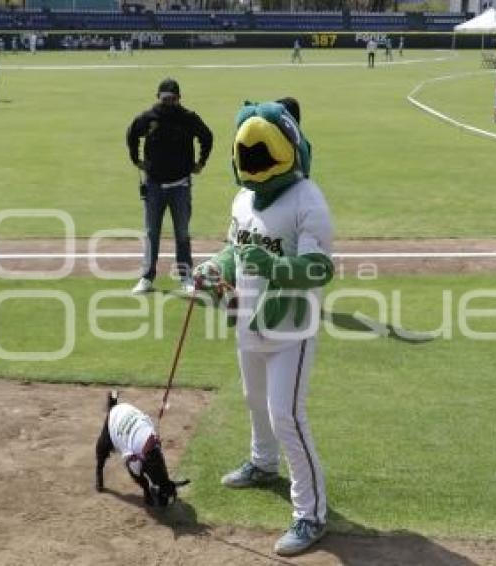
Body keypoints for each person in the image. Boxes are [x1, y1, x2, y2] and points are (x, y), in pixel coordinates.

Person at [193, 100, 333, 557]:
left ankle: (311, 514)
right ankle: (262, 463)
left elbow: (318, 269)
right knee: (255, 401)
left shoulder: (307, 199)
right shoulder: (242, 198)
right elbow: (235, 250)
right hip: (247, 319)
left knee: (286, 415)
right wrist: (213, 270)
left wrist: (274, 266)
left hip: (291, 328)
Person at [126, 78, 213, 294]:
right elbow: (131, 134)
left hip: (181, 186)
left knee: (182, 233)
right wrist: (135, 159)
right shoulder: (148, 118)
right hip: (154, 185)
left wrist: (201, 162)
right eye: (166, 99)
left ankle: (185, 277)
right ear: (158, 97)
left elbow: (207, 136)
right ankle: (147, 278)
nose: (169, 103)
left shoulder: (188, 118)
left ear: (179, 98)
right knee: (151, 233)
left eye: (173, 99)